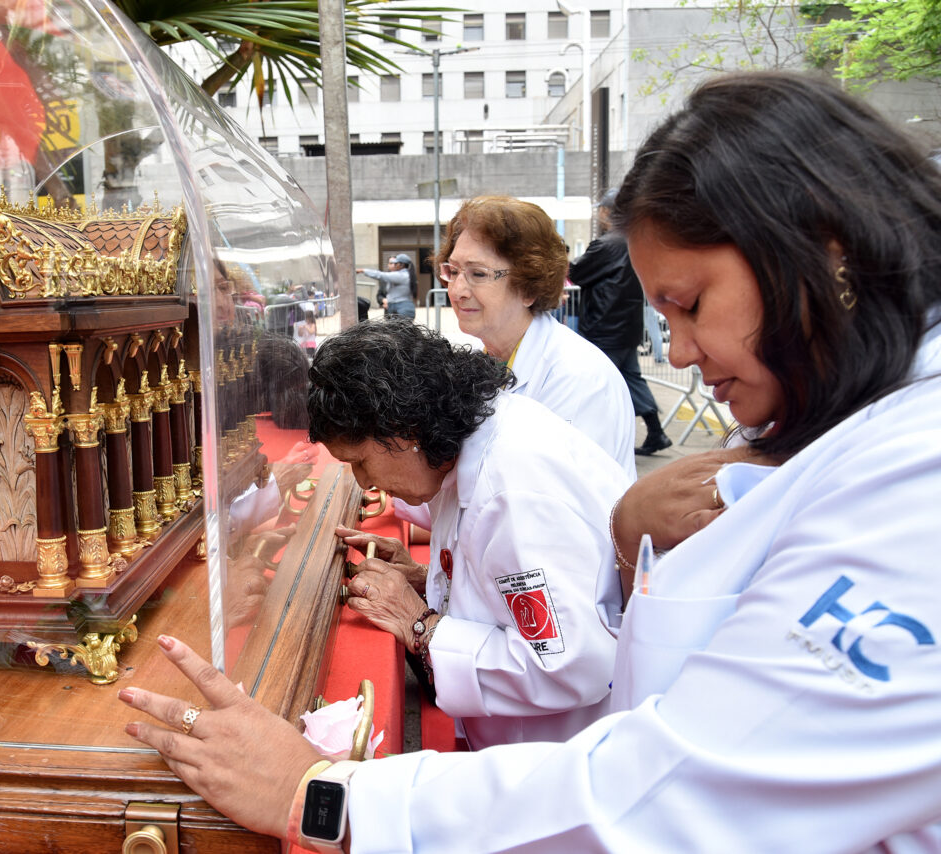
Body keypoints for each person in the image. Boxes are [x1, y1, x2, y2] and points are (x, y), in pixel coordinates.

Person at [119, 71, 941, 852]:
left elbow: (666, 789)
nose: (681, 354)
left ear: (824, 251)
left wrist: (329, 792)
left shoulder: (912, 481)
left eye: (689, 306)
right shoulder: (853, 432)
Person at [305, 317, 628, 750]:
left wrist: (418, 623)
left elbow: (569, 664)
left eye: (361, 461)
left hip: (564, 754)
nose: (364, 484)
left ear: (403, 430)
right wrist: (432, 581)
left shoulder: (514, 490)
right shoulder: (477, 440)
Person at [438, 195, 635, 477]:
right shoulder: (483, 356)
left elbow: (552, 500)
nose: (457, 291)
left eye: (478, 274)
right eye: (453, 271)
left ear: (529, 288)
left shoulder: (578, 379)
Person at [571, 188, 674, 456]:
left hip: (605, 327)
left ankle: (602, 443)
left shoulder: (608, 245)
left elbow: (578, 272)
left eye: (600, 210)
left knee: (598, 386)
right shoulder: (634, 241)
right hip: (628, 327)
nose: (599, 214)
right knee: (632, 379)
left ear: (608, 212)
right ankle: (656, 432)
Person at [358, 253, 416, 319]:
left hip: (402, 309)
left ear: (401, 265)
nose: (394, 265)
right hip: (397, 309)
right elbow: (380, 295)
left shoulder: (401, 275)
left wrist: (363, 270)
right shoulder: (401, 275)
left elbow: (380, 275)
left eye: (395, 264)